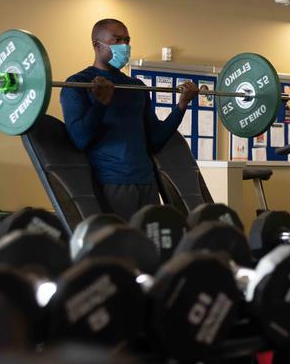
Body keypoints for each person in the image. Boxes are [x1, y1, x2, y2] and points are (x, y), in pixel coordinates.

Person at [60, 18, 198, 219]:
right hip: (110, 183)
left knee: (152, 244)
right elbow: (79, 139)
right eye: (117, 40)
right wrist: (100, 104)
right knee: (122, 246)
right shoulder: (78, 84)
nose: (124, 46)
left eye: (127, 40)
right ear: (97, 45)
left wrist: (182, 105)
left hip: (146, 182)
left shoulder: (136, 87)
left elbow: (156, 140)